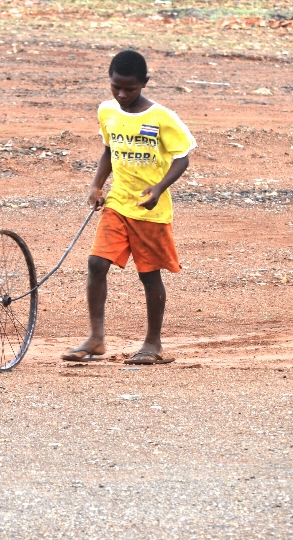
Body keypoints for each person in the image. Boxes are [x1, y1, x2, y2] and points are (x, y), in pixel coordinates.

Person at [62, 50, 196, 365]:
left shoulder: (162, 117)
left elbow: (182, 157)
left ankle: (153, 343)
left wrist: (160, 188)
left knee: (149, 275)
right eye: (116, 87)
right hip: (119, 202)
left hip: (150, 208)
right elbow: (109, 150)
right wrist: (96, 186)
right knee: (96, 264)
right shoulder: (107, 112)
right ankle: (96, 339)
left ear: (144, 83)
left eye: (129, 89)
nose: (122, 95)